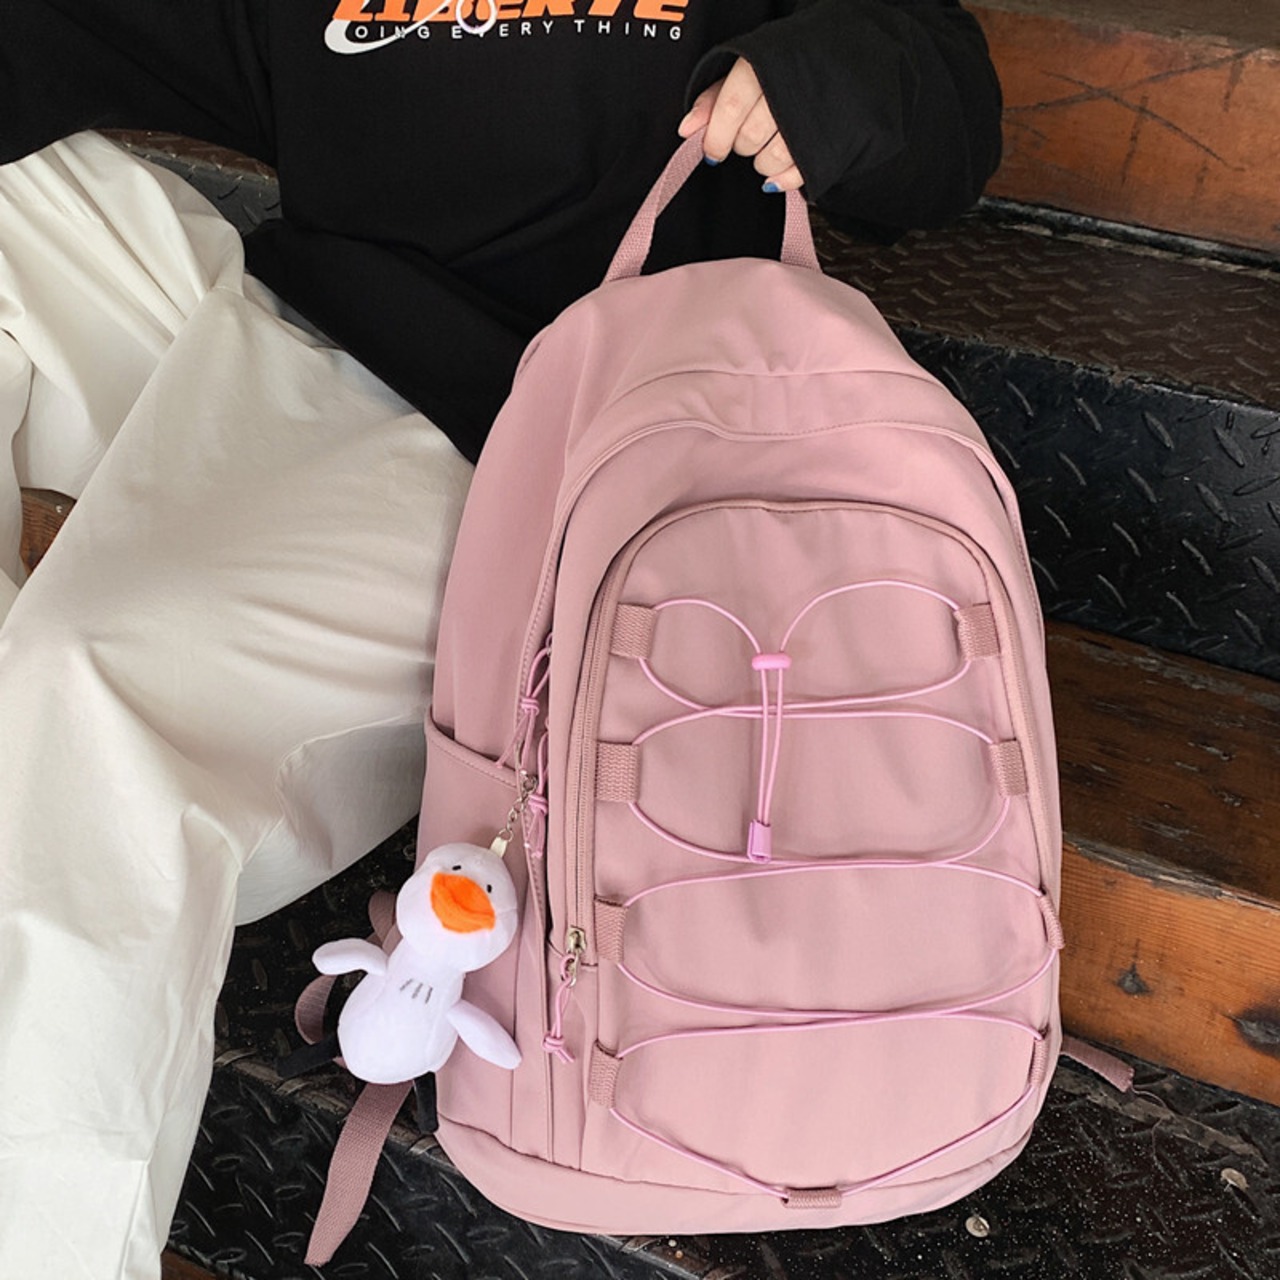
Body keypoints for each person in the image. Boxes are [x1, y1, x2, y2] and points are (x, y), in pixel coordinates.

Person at [0, 2, 1002, 1276]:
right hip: (298, 324)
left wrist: (821, 81)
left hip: (545, 430)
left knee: (87, 680)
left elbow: (945, 109)